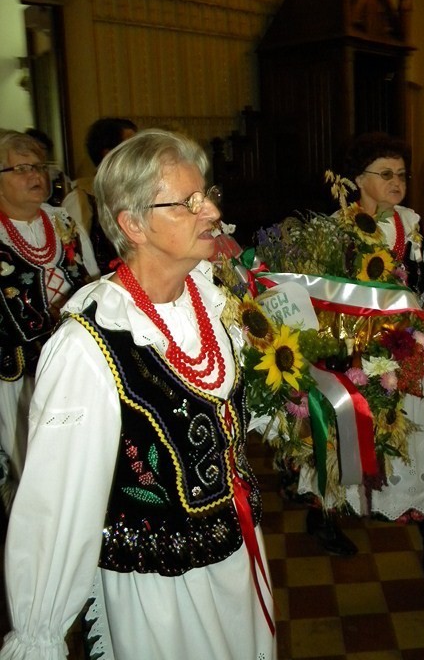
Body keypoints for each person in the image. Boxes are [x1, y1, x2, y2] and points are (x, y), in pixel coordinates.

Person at [0, 129, 276, 660]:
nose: (211, 213)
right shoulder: (90, 344)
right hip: (161, 584)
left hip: (238, 550)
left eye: (208, 196)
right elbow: (58, 504)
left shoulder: (213, 298)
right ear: (132, 224)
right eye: (187, 203)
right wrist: (41, 629)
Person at [319, 132, 424, 595]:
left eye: (401, 174)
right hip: (358, 361)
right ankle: (324, 515)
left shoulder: (411, 223)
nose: (397, 182)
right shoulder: (338, 228)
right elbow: (329, 300)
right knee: (342, 443)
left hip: (410, 358)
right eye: (385, 174)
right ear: (358, 181)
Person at [0, 129, 98, 489]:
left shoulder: (63, 221)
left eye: (39, 167)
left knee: (72, 460)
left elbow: (90, 279)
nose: (36, 176)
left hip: (69, 362)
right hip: (14, 373)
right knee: (27, 469)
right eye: (22, 168)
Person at [63, 117, 137, 273]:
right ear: (108, 154)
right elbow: (76, 256)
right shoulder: (81, 198)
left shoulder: (139, 191)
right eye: (130, 145)